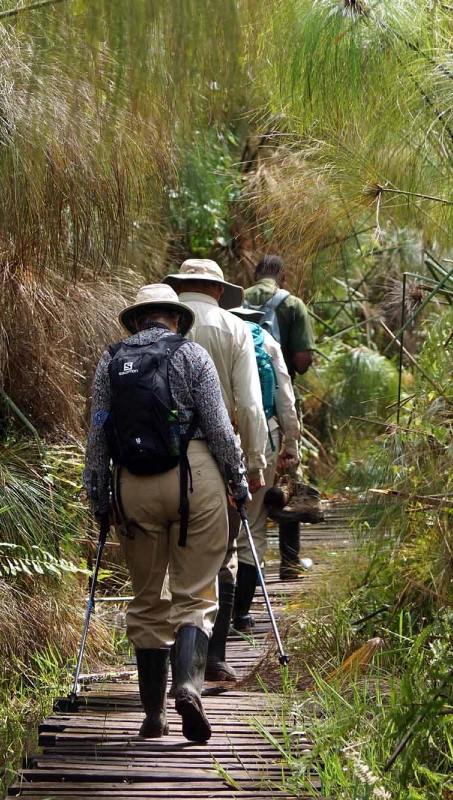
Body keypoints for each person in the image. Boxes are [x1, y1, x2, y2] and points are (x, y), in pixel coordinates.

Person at [82, 284, 250, 743]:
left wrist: (99, 498)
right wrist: (238, 483)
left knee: (146, 599)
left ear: (137, 319)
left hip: (133, 485)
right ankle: (188, 687)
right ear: (175, 318)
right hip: (195, 479)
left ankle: (153, 714)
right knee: (195, 593)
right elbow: (218, 427)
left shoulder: (110, 361)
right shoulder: (193, 356)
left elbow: (98, 436)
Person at [162, 259, 267, 682]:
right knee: (220, 558)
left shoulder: (162, 326)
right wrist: (254, 465)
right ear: (218, 291)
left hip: (154, 457)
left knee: (170, 564)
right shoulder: (235, 328)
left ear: (181, 288)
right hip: (216, 459)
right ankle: (213, 660)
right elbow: (250, 406)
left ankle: (171, 667)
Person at [243, 254, 319, 580]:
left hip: (240, 405)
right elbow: (302, 361)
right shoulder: (293, 305)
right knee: (289, 480)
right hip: (280, 406)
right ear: (282, 277)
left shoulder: (238, 300)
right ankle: (289, 564)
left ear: (256, 274)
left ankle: (238, 566)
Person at [228, 306, 300, 632]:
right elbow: (285, 396)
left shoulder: (209, 332)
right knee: (253, 526)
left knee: (215, 526)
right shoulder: (266, 341)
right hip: (264, 436)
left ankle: (211, 615)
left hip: (214, 436)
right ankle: (240, 614)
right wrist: (291, 445)